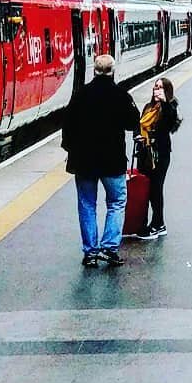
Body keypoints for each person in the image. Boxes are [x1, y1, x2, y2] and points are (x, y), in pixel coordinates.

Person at [61, 54, 140, 268]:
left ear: (94, 70)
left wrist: (70, 148)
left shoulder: (80, 94)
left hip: (83, 162)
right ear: (112, 70)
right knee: (116, 203)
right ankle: (109, 248)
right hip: (112, 161)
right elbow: (133, 122)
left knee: (87, 205)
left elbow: (67, 125)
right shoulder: (120, 95)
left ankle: (90, 252)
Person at [136, 76, 181, 238]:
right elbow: (139, 125)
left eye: (161, 87)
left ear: (167, 91)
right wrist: (138, 137)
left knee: (156, 189)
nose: (157, 90)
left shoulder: (170, 107)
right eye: (155, 87)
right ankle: (149, 223)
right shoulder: (148, 107)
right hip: (146, 154)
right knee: (146, 190)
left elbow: (170, 125)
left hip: (161, 154)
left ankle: (158, 224)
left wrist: (165, 103)